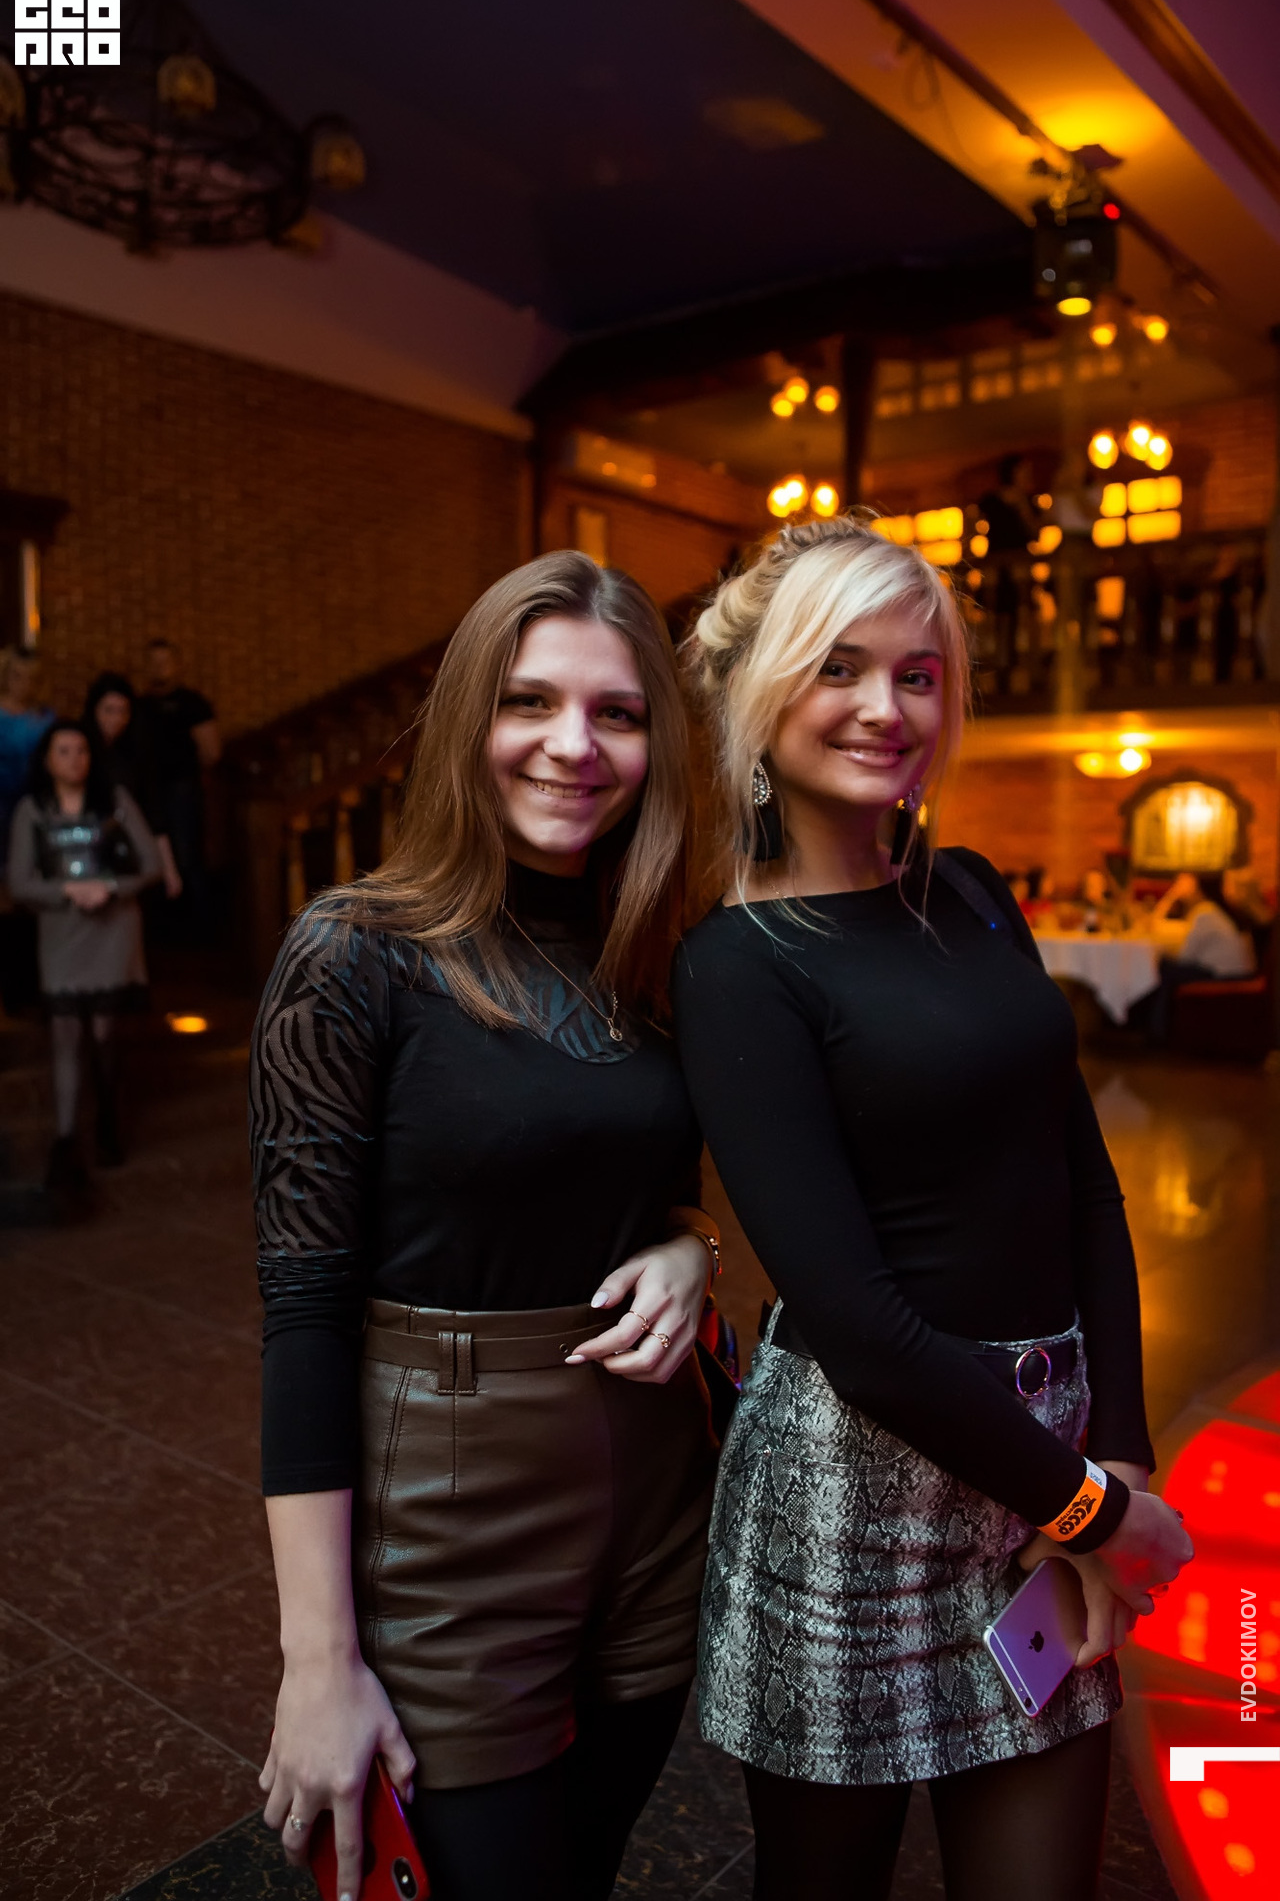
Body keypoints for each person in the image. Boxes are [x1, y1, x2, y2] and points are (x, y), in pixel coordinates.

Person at [672, 516, 1192, 1901]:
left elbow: (1083, 1184)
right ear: (765, 691)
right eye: (840, 667)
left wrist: (1120, 1458)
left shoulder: (966, 891)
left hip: (1050, 1460)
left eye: (918, 675)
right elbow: (853, 1323)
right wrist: (1090, 1511)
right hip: (851, 1490)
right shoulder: (738, 962)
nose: (886, 708)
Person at [251, 553, 721, 1901]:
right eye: (531, 702)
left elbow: (637, 1178)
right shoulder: (354, 952)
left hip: (656, 1492)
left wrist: (689, 1244)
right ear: (470, 717)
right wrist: (315, 1662)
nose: (575, 745)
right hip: (451, 1510)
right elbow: (303, 1313)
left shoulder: (657, 946)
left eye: (617, 713)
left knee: (586, 1864)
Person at [7, 719, 162, 1186]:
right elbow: (19, 882)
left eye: (82, 750)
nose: (74, 760)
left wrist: (109, 888)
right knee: (65, 1034)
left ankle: (109, 1125)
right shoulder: (32, 810)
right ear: (47, 760)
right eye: (64, 751)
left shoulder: (115, 801)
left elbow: (151, 865)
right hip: (62, 934)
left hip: (113, 930)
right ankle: (66, 1140)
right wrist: (68, 891)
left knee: (105, 1032)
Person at [135, 638, 220, 925]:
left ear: (177, 665)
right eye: (153, 662)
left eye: (165, 662)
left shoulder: (192, 703)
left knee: (187, 855)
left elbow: (211, 751)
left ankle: (199, 925)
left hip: (181, 790)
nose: (159, 668)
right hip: (146, 792)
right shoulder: (139, 705)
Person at [83, 671, 183, 900]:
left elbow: (155, 815)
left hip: (129, 850)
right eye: (109, 710)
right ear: (94, 710)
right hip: (87, 846)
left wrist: (169, 869)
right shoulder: (81, 751)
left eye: (123, 711)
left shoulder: (137, 753)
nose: (116, 719)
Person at [1143, 871, 1257, 1044]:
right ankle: (1159, 1028)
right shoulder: (1221, 910)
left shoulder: (1205, 913)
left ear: (1198, 888)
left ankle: (1156, 1031)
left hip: (1224, 976)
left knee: (1163, 967)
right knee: (1166, 967)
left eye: (1189, 884)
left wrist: (1172, 896)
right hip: (1241, 973)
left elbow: (1185, 957)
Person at [0, 646, 54, 866]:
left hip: (32, 800)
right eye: (17, 676)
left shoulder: (44, 718)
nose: (24, 684)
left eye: (31, 678)